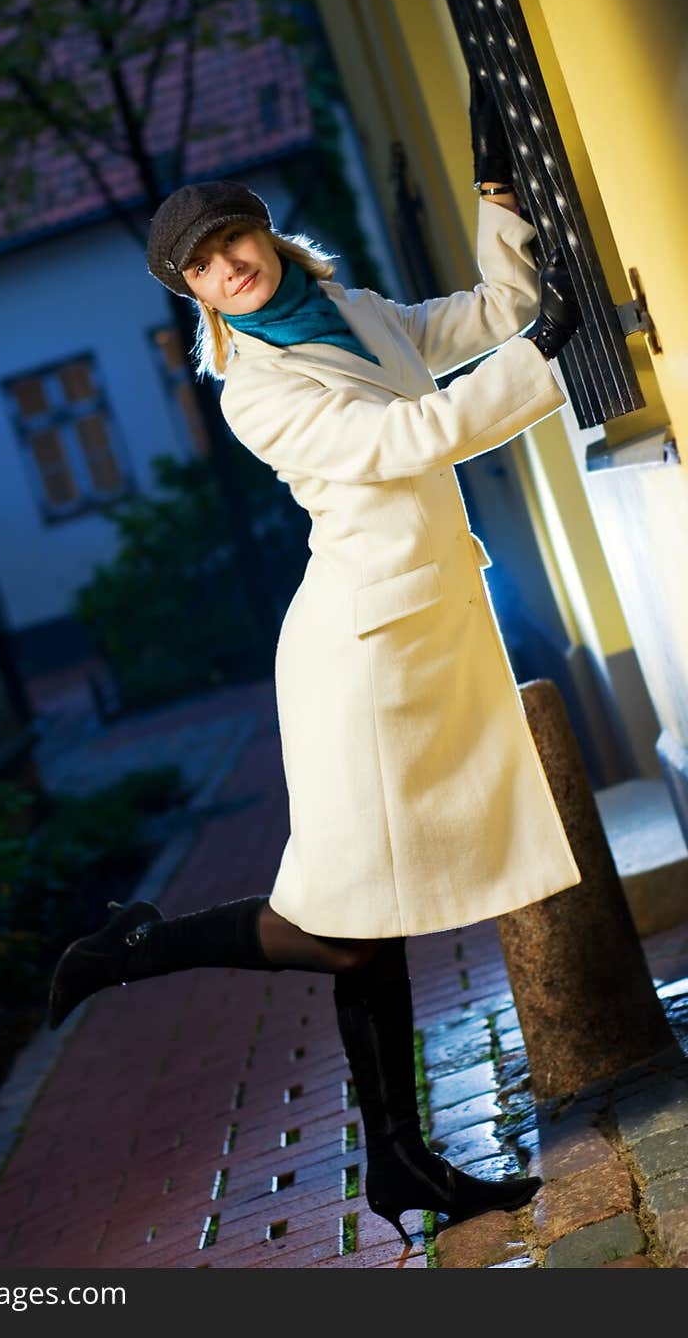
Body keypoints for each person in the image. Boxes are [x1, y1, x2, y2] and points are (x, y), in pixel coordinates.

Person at [47, 72, 583, 1248]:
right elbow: (409, 436)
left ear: (264, 232)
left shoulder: (354, 314)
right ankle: (142, 947)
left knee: (366, 920)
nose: (225, 265)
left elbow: (492, 311)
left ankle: (401, 1164)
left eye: (231, 237)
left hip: (411, 630)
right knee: (346, 923)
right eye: (199, 265)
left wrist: (499, 194)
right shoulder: (257, 391)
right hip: (361, 656)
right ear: (191, 292)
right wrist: (547, 360)